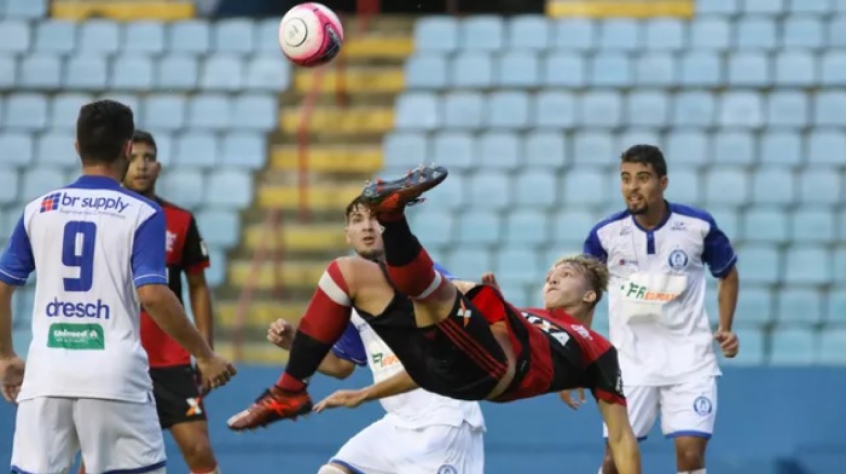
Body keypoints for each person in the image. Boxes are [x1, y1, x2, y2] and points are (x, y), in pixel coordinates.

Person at [227, 165, 642, 474]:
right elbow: (421, 369)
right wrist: (363, 395)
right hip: (433, 375)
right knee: (344, 273)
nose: (552, 276)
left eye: (565, 274)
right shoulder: (530, 315)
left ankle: (394, 217)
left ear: (590, 293)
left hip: (478, 384)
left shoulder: (600, 350)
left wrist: (573, 378)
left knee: (453, 291)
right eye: (551, 272)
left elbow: (621, 438)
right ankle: (288, 392)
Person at [0, 100, 236, 474]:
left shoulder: (38, 209)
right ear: (127, 149)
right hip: (114, 377)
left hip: (46, 376)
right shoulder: (142, 213)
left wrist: (5, 357)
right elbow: (153, 295)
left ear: (77, 147)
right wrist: (205, 354)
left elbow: (3, 286)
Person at [266, 195, 486, 474]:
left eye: (374, 218)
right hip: (398, 423)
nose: (367, 227)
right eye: (357, 221)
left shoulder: (419, 275)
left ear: (388, 227)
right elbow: (342, 366)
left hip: (444, 419)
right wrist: (293, 343)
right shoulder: (350, 294)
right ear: (347, 234)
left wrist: (363, 394)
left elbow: (435, 364)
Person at [576, 144, 740, 474]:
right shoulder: (604, 236)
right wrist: (578, 358)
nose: (632, 187)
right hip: (630, 365)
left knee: (690, 455)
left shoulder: (697, 227)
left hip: (690, 361)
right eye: (625, 178)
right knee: (613, 461)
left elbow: (728, 274)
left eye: (642, 178)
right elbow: (585, 296)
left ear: (663, 182)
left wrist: (726, 326)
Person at [77, 130, 222, 474]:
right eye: (136, 157)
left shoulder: (180, 221)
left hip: (170, 359)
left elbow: (198, 286)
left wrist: (205, 351)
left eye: (150, 158)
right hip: (117, 356)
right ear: (122, 162)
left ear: (159, 167)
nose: (142, 166)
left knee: (199, 450)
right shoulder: (104, 219)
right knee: (96, 460)